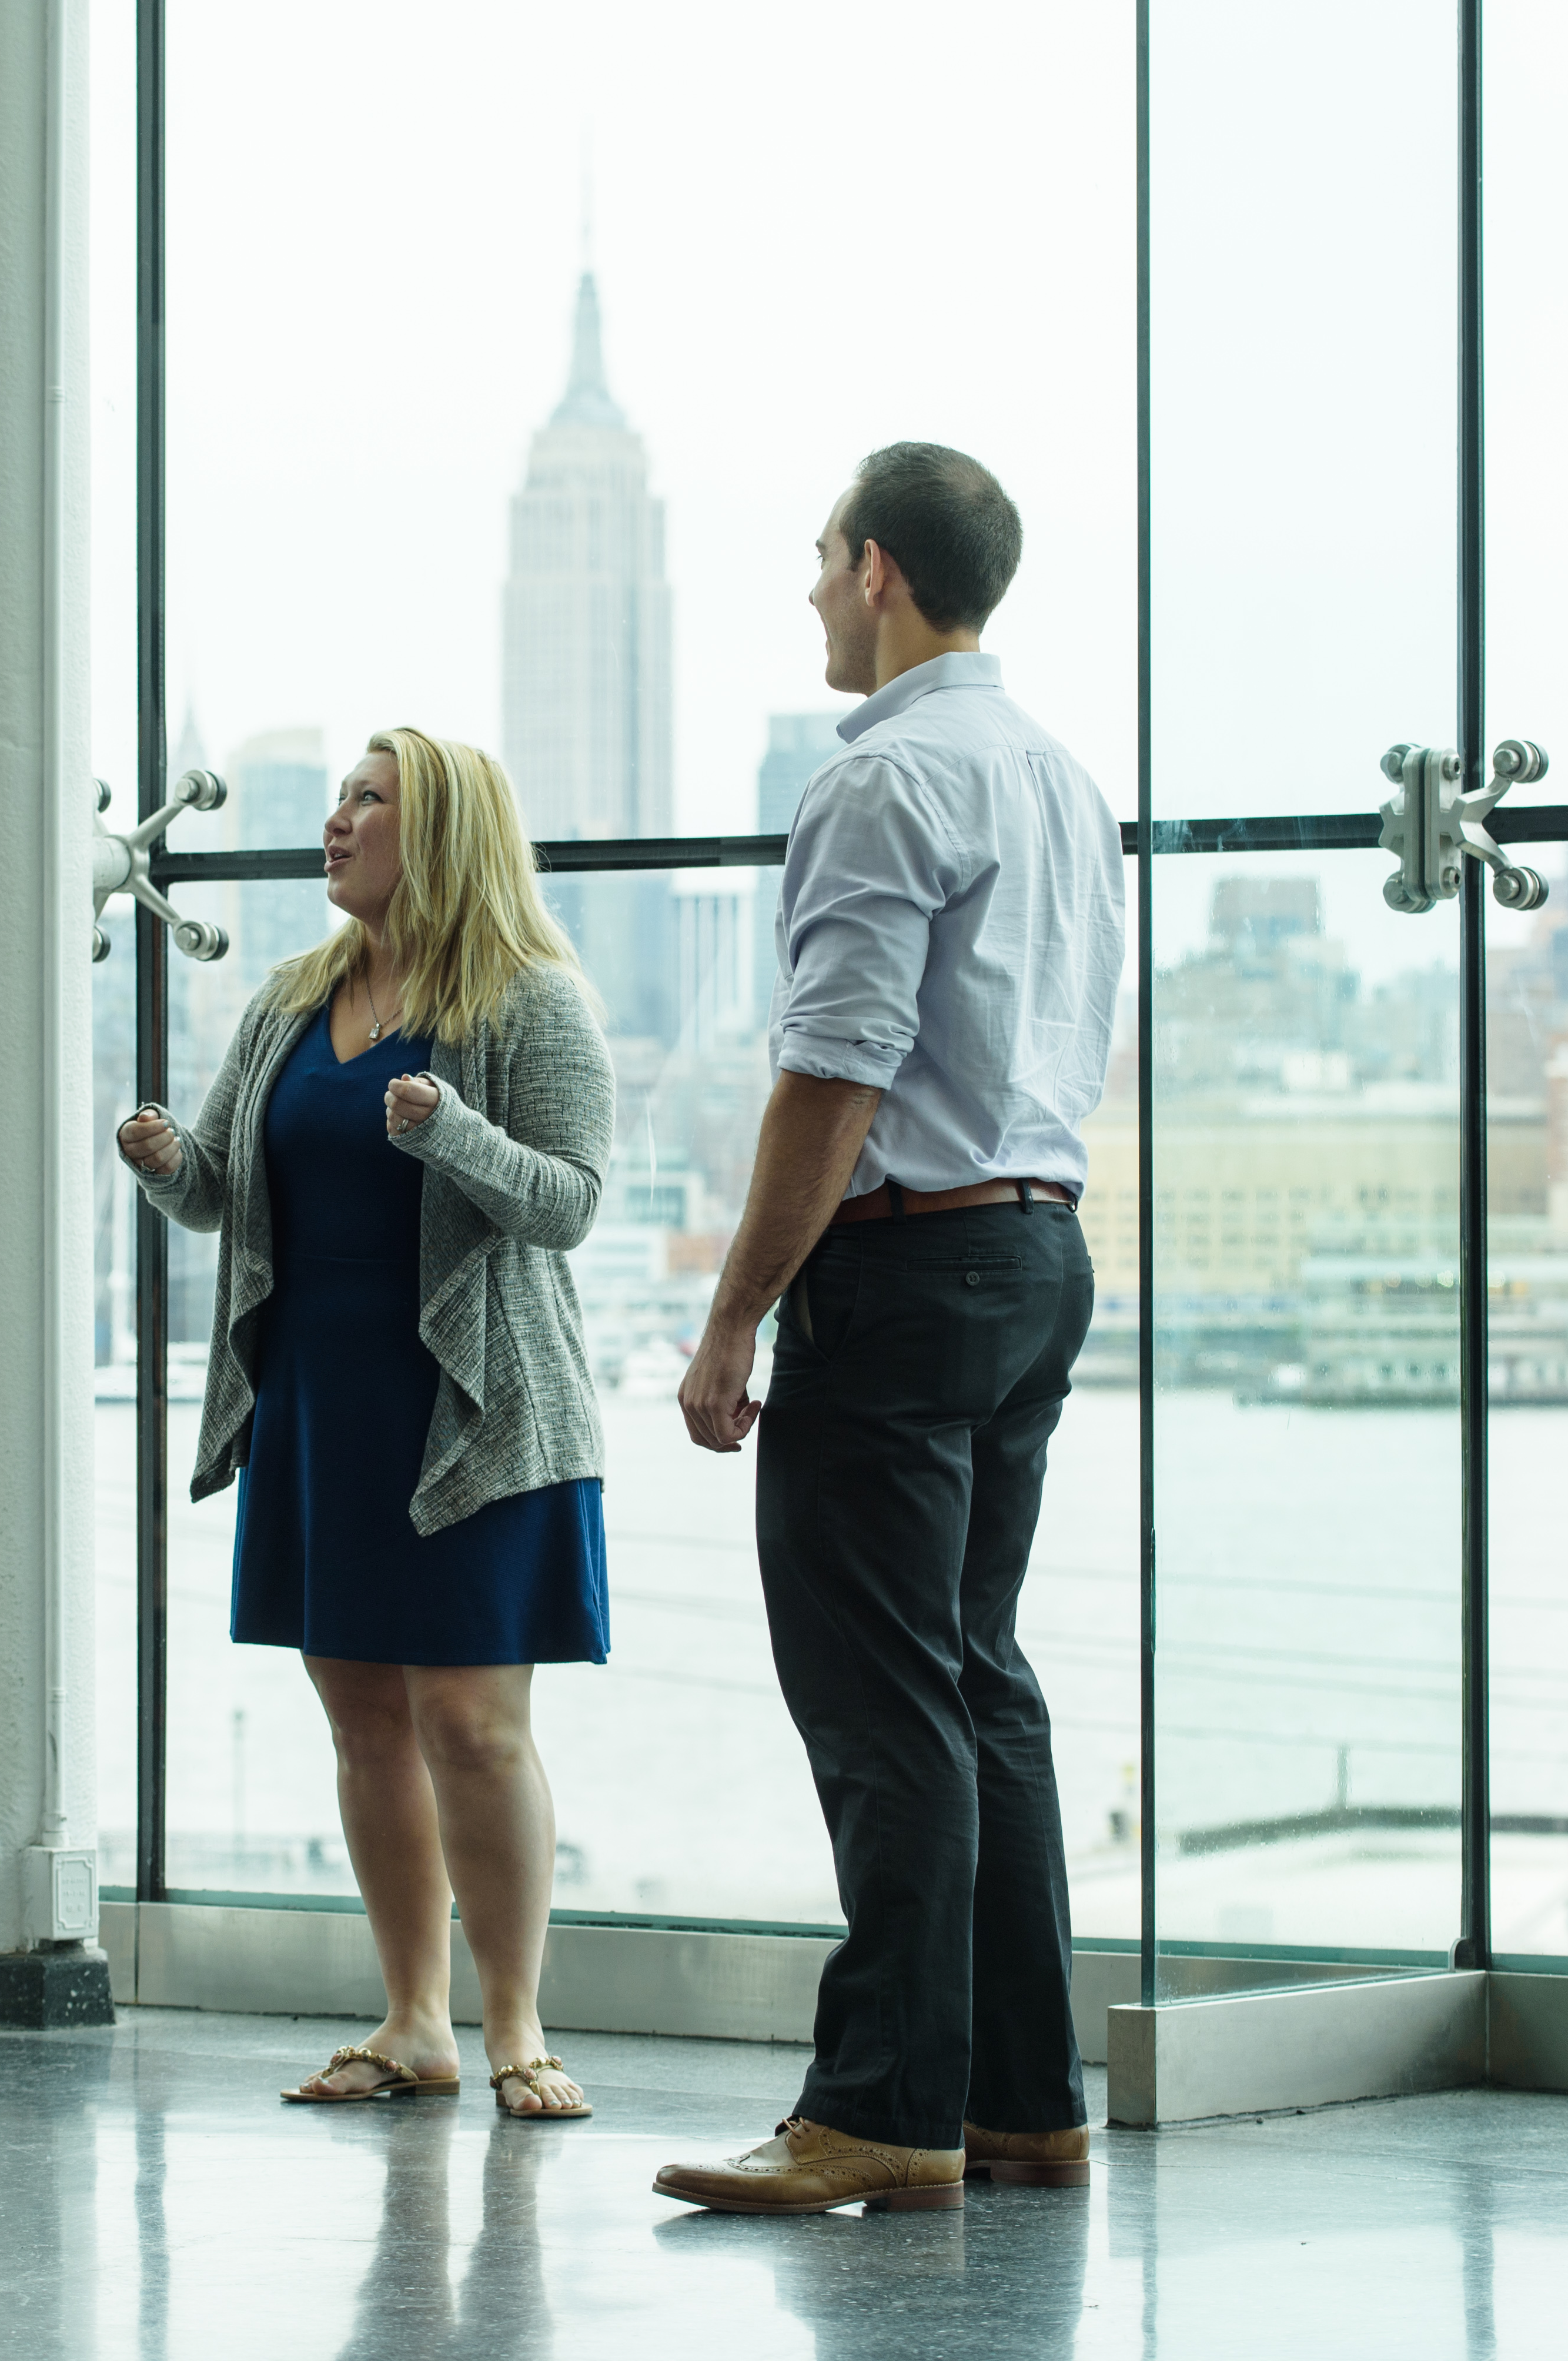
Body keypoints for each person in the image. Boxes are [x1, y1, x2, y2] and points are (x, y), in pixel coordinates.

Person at [654, 444, 1125, 2214]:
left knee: (883, 1705)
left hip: (908, 1269)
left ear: (877, 573)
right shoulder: (1065, 782)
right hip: (1039, 1257)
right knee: (979, 1681)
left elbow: (833, 1071)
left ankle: (881, 2111)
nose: (808, 590)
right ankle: (1021, 2101)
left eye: (819, 554)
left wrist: (730, 1320)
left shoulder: (886, 784)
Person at [118, 728, 613, 2123]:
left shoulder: (529, 1000)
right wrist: (167, 1166)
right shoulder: (291, 996)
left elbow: (570, 1203)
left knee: (472, 1723)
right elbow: (225, 1191)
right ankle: (411, 2024)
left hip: (477, 1405)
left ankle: (515, 2023)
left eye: (365, 801)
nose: (333, 822)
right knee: (362, 1722)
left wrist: (448, 1131)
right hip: (322, 1401)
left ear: (440, 830)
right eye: (337, 798)